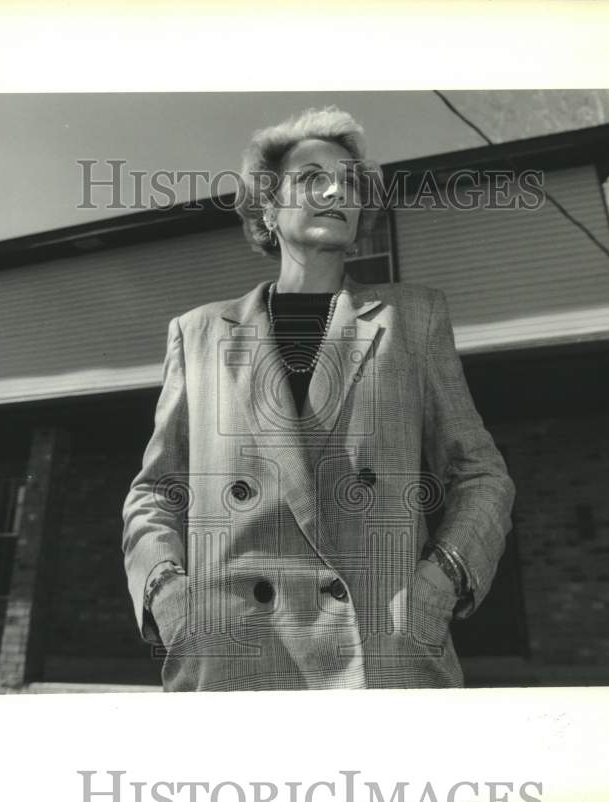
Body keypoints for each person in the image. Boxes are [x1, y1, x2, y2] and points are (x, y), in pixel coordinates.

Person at [121, 105, 516, 691]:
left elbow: (482, 474)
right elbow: (155, 491)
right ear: (268, 208)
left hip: (384, 656)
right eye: (311, 178)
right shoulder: (197, 333)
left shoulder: (414, 318)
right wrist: (167, 594)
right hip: (231, 657)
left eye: (350, 182)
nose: (337, 190)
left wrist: (442, 580)